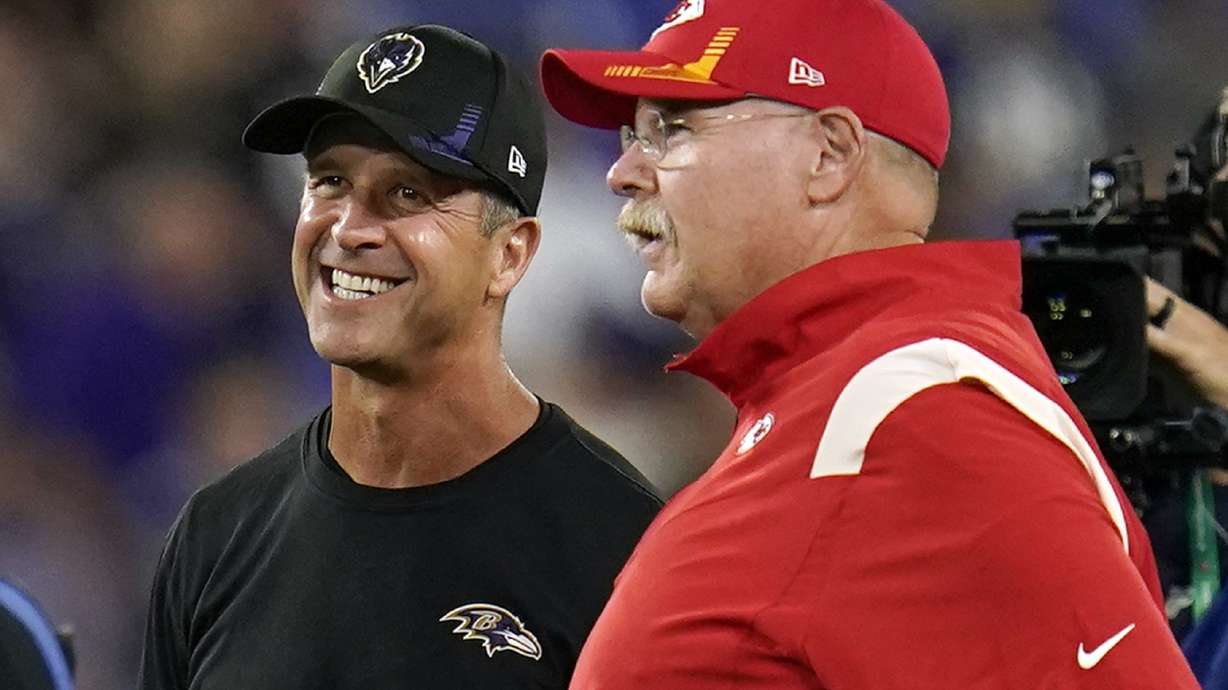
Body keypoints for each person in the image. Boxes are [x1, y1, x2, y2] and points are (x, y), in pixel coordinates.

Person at [538, 0, 1200, 686]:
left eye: (670, 130)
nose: (622, 173)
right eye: (631, 136)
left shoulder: (926, 410)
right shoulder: (845, 399)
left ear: (829, 155)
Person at [138, 24, 662, 689]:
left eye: (408, 193)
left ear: (511, 254)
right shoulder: (216, 535)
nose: (350, 229)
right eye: (329, 181)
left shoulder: (616, 543)